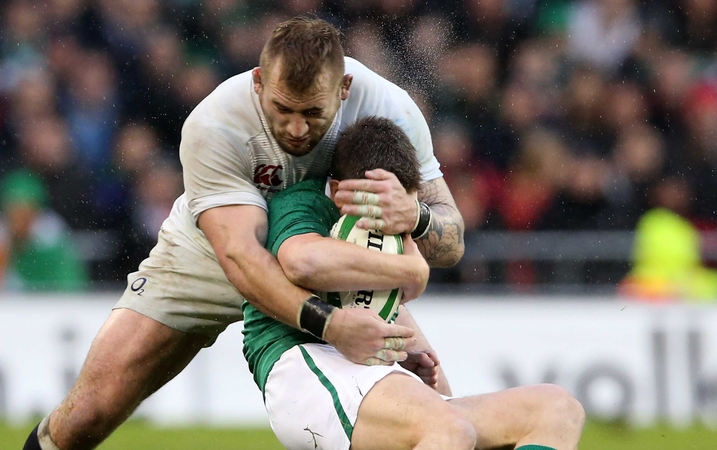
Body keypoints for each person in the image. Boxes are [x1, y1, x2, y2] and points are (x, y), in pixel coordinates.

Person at [24, 16, 465, 450]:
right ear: (258, 83)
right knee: (85, 416)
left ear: (344, 89)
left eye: (313, 113)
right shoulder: (216, 122)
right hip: (210, 258)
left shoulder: (387, 106)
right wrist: (331, 327)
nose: (296, 129)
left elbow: (452, 242)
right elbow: (241, 258)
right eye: (283, 110)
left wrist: (417, 215)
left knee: (443, 414)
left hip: (332, 262)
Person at [244, 116, 585, 450]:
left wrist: (426, 374)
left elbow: (382, 302)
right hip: (303, 366)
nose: (387, 217)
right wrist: (414, 271)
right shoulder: (301, 202)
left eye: (398, 206)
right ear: (338, 190)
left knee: (558, 409)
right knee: (451, 430)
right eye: (376, 203)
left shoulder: (396, 221)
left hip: (372, 376)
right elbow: (304, 262)